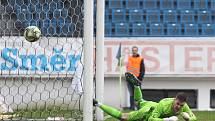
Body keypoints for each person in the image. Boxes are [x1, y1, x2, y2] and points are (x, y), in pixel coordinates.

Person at [93, 72, 197, 121]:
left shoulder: (184, 106)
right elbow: (152, 119)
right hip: (148, 111)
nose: (178, 106)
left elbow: (194, 117)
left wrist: (188, 119)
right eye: (177, 104)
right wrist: (168, 120)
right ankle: (98, 104)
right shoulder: (164, 105)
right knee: (123, 117)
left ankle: (137, 86)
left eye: (181, 105)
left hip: (152, 105)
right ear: (174, 100)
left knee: (138, 101)